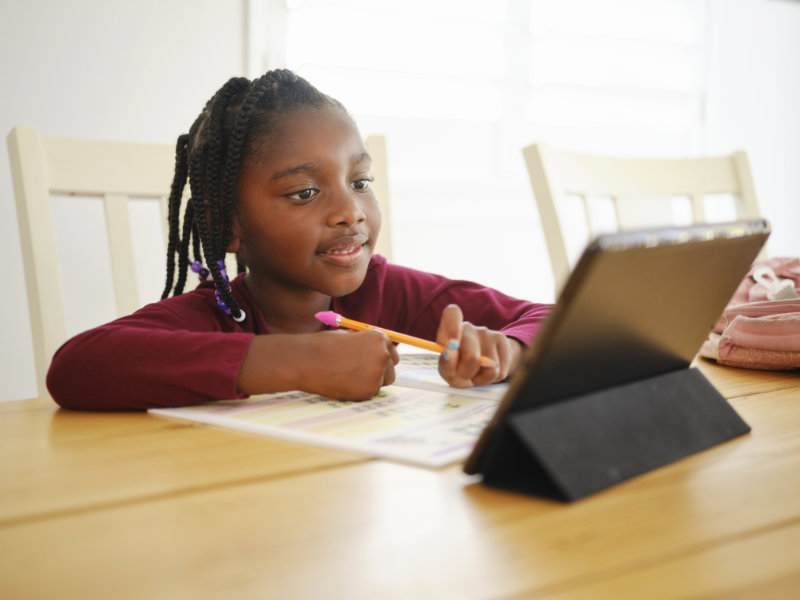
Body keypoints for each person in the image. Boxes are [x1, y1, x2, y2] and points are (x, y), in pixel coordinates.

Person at [47, 70, 551, 411]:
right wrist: (300, 362)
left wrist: (509, 349)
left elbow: (552, 318)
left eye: (360, 182)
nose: (351, 210)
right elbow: (76, 366)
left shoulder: (388, 292)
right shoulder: (211, 318)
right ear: (226, 224)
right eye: (304, 192)